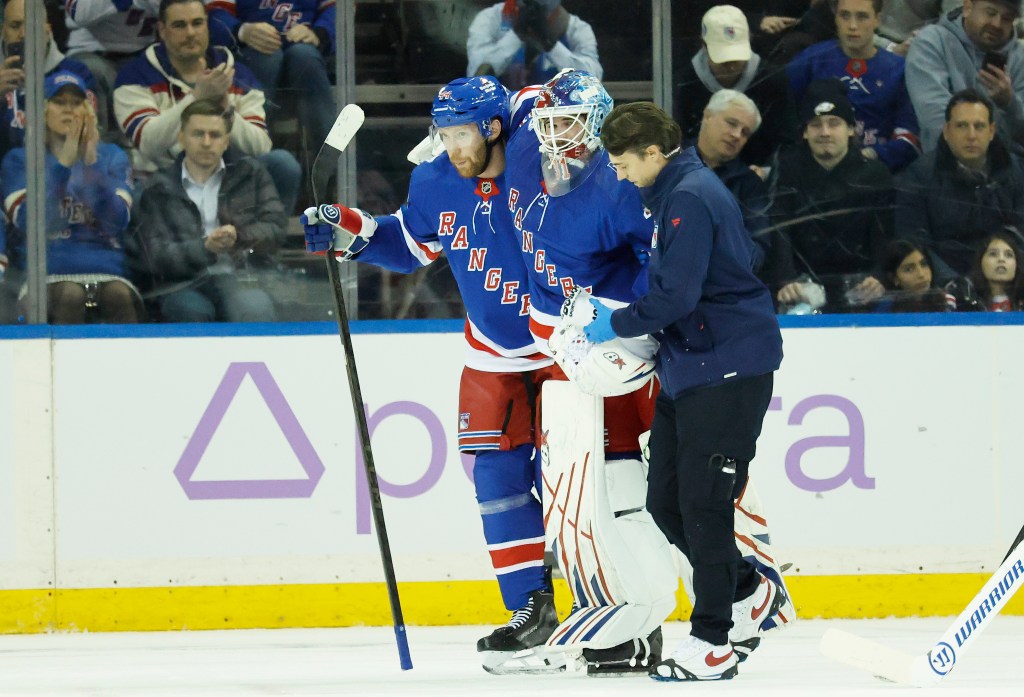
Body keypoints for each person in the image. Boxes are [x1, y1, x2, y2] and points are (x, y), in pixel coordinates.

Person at [301, 76, 564, 675]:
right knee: (496, 485)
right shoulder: (436, 179)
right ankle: (532, 611)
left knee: (578, 487)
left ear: (495, 128)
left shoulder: (538, 158)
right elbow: (411, 246)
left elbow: (551, 97)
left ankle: (609, 614)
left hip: (567, 352)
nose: (452, 147)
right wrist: (350, 230)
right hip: (492, 356)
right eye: (443, 134)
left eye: (463, 133)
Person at [597, 100, 784, 682]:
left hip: (726, 369)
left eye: (624, 163)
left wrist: (611, 323)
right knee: (666, 502)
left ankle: (712, 644)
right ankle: (751, 590)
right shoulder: (676, 192)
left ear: (654, 153)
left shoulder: (687, 198)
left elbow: (676, 297)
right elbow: (735, 263)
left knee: (703, 506)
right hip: (694, 366)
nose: (618, 174)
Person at [112, 0, 301, 212]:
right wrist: (197, 98)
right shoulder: (135, 76)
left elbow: (261, 146)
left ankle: (264, 242)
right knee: (139, 197)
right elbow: (148, 143)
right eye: (179, 25)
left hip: (227, 181)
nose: (191, 33)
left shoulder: (238, 75)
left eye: (197, 23)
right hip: (165, 182)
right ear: (162, 31)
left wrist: (225, 110)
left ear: (207, 26)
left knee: (282, 165)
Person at [129, 98, 285, 322]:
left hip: (241, 278)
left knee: (254, 308)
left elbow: (275, 228)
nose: (206, 142)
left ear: (226, 141)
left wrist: (239, 236)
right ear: (181, 138)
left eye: (215, 135)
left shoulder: (251, 174)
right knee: (191, 311)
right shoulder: (157, 188)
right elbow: (153, 255)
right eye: (197, 134)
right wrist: (204, 248)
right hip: (181, 284)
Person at [0, 71, 138, 324]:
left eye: (76, 103)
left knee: (118, 296)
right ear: (41, 111)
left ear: (88, 110)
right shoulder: (20, 160)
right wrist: (63, 164)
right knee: (70, 295)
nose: (69, 110)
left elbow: (116, 222)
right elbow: (35, 224)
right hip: (46, 273)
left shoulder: (111, 156)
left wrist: (91, 163)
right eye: (59, 102)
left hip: (108, 271)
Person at [765, 80, 894, 312]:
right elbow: (778, 228)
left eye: (834, 123)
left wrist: (879, 276)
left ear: (851, 129)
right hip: (801, 290)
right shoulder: (786, 170)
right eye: (816, 124)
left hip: (859, 290)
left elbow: (884, 234)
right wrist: (786, 280)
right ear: (804, 132)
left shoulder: (875, 174)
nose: (825, 132)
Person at [896, 88, 1024, 284]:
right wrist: (954, 284)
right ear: (947, 131)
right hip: (944, 284)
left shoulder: (1015, 171)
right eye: (962, 126)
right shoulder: (919, 176)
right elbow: (914, 243)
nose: (971, 135)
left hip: (1007, 281)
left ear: (991, 132)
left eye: (979, 126)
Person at [787, 0, 922, 172]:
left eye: (862, 16)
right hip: (816, 167)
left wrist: (870, 156)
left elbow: (909, 138)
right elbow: (786, 121)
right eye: (844, 16)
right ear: (835, 17)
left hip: (876, 171)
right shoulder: (811, 60)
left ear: (877, 20)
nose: (852, 26)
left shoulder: (899, 70)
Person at [676, 5, 799, 169]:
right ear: (704, 46)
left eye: (737, 57)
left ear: (750, 40)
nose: (732, 66)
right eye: (724, 60)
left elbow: (788, 142)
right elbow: (680, 138)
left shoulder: (773, 80)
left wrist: (768, 172)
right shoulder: (687, 81)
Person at [205, 0, 337, 148]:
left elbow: (338, 8)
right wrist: (240, 30)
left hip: (304, 52)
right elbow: (213, 13)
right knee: (268, 59)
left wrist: (319, 33)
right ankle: (256, 152)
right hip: (253, 55)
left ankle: (331, 157)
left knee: (304, 57)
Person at [905, 0, 1024, 152]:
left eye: (1007, 18)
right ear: (968, 7)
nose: (997, 24)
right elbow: (934, 117)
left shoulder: (1019, 59)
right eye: (990, 13)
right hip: (946, 159)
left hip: (1009, 163)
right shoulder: (932, 42)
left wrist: (1009, 103)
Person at [0, 0, 99, 161]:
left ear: (47, 30)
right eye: (15, 25)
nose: (24, 34)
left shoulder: (76, 73)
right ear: (2, 31)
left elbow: (86, 134)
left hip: (59, 170)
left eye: (32, 24)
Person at [688, 89, 772, 271]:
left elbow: (757, 251)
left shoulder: (749, 184)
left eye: (745, 132)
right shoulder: (664, 164)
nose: (736, 135)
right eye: (731, 123)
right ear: (707, 116)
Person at [64, 0, 162, 142]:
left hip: (143, 53)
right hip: (91, 51)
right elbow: (80, 12)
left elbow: (184, 10)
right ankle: (97, 155)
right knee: (94, 73)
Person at [466, 1, 602, 90]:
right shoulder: (490, 19)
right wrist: (516, 35)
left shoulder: (576, 28)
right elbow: (475, 74)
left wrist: (551, 45)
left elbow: (593, 80)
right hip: (503, 117)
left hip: (556, 118)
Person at [872, 239, 956, 312]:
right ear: (894, 278)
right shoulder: (885, 308)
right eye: (909, 269)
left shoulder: (946, 302)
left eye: (924, 264)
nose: (921, 274)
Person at [966, 229, 1024, 310]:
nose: (1001, 259)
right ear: (980, 262)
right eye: (993, 254)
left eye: (1009, 255)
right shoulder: (966, 304)